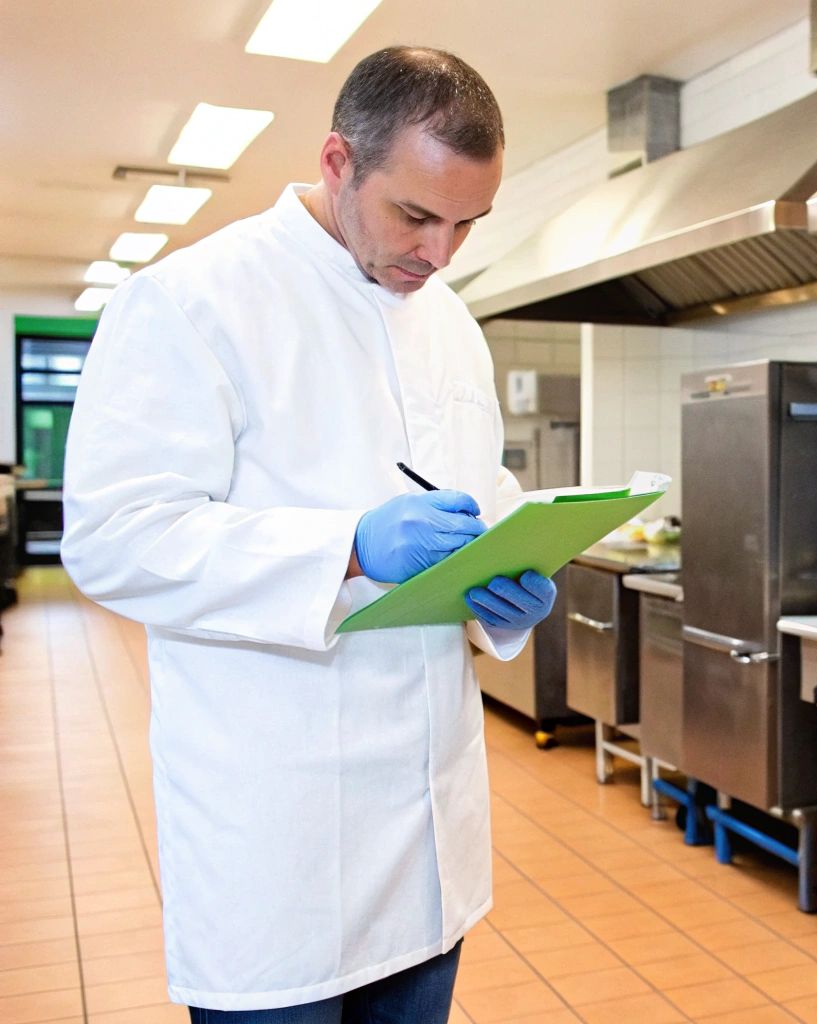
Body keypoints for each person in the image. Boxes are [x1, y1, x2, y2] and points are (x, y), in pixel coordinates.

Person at [62, 47, 555, 1021]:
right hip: (278, 851)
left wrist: (508, 580)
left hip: (428, 851)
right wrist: (349, 547)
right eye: (416, 215)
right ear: (338, 161)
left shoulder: (452, 322)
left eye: (467, 223)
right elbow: (115, 537)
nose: (440, 252)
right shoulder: (194, 300)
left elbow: (484, 493)